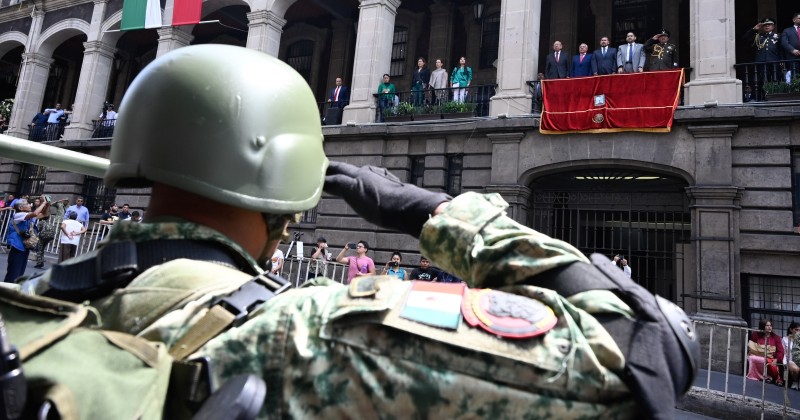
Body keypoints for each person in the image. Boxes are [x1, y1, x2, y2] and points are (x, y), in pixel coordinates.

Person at [15, 44, 697, 419]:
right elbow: (649, 343)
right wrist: (429, 210)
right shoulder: (307, 332)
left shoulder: (34, 305)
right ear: (289, 195)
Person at [4, 196, 49, 282]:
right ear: (21, 207)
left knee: (19, 274)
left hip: (24, 247)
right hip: (17, 247)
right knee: (13, 274)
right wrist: (43, 203)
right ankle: (6, 291)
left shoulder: (26, 215)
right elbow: (35, 214)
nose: (30, 205)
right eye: (27, 204)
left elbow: (44, 214)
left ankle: (13, 292)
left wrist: (46, 205)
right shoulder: (18, 215)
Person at [743, 18, 783, 101]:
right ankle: (759, 98)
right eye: (765, 25)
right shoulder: (758, 36)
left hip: (774, 62)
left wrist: (781, 61)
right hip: (761, 62)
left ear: (773, 26)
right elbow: (745, 39)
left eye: (769, 24)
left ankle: (774, 98)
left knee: (774, 80)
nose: (767, 26)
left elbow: (781, 50)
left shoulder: (778, 36)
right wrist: (754, 30)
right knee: (760, 82)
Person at [746, 319, 784, 386]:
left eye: (770, 325)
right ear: (762, 326)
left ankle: (770, 376)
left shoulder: (776, 338)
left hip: (771, 358)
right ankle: (761, 376)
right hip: (758, 356)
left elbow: (781, 351)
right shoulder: (755, 335)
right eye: (767, 325)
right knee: (752, 358)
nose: (769, 327)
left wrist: (777, 359)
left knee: (769, 363)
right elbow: (752, 346)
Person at [33, 196, 56, 269]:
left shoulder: (41, 222)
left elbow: (37, 230)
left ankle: (39, 262)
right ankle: (41, 260)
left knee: (39, 249)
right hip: (49, 237)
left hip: (42, 236)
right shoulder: (48, 223)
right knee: (42, 249)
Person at [781, 12, 800, 77]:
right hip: (793, 57)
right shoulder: (787, 30)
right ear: (794, 20)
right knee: (795, 76)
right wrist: (792, 50)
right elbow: (784, 42)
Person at [782, 322, 800, 389]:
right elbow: (783, 351)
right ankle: (795, 382)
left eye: (799, 330)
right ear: (791, 330)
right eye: (796, 329)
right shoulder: (785, 339)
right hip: (789, 359)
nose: (798, 332)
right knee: (796, 369)